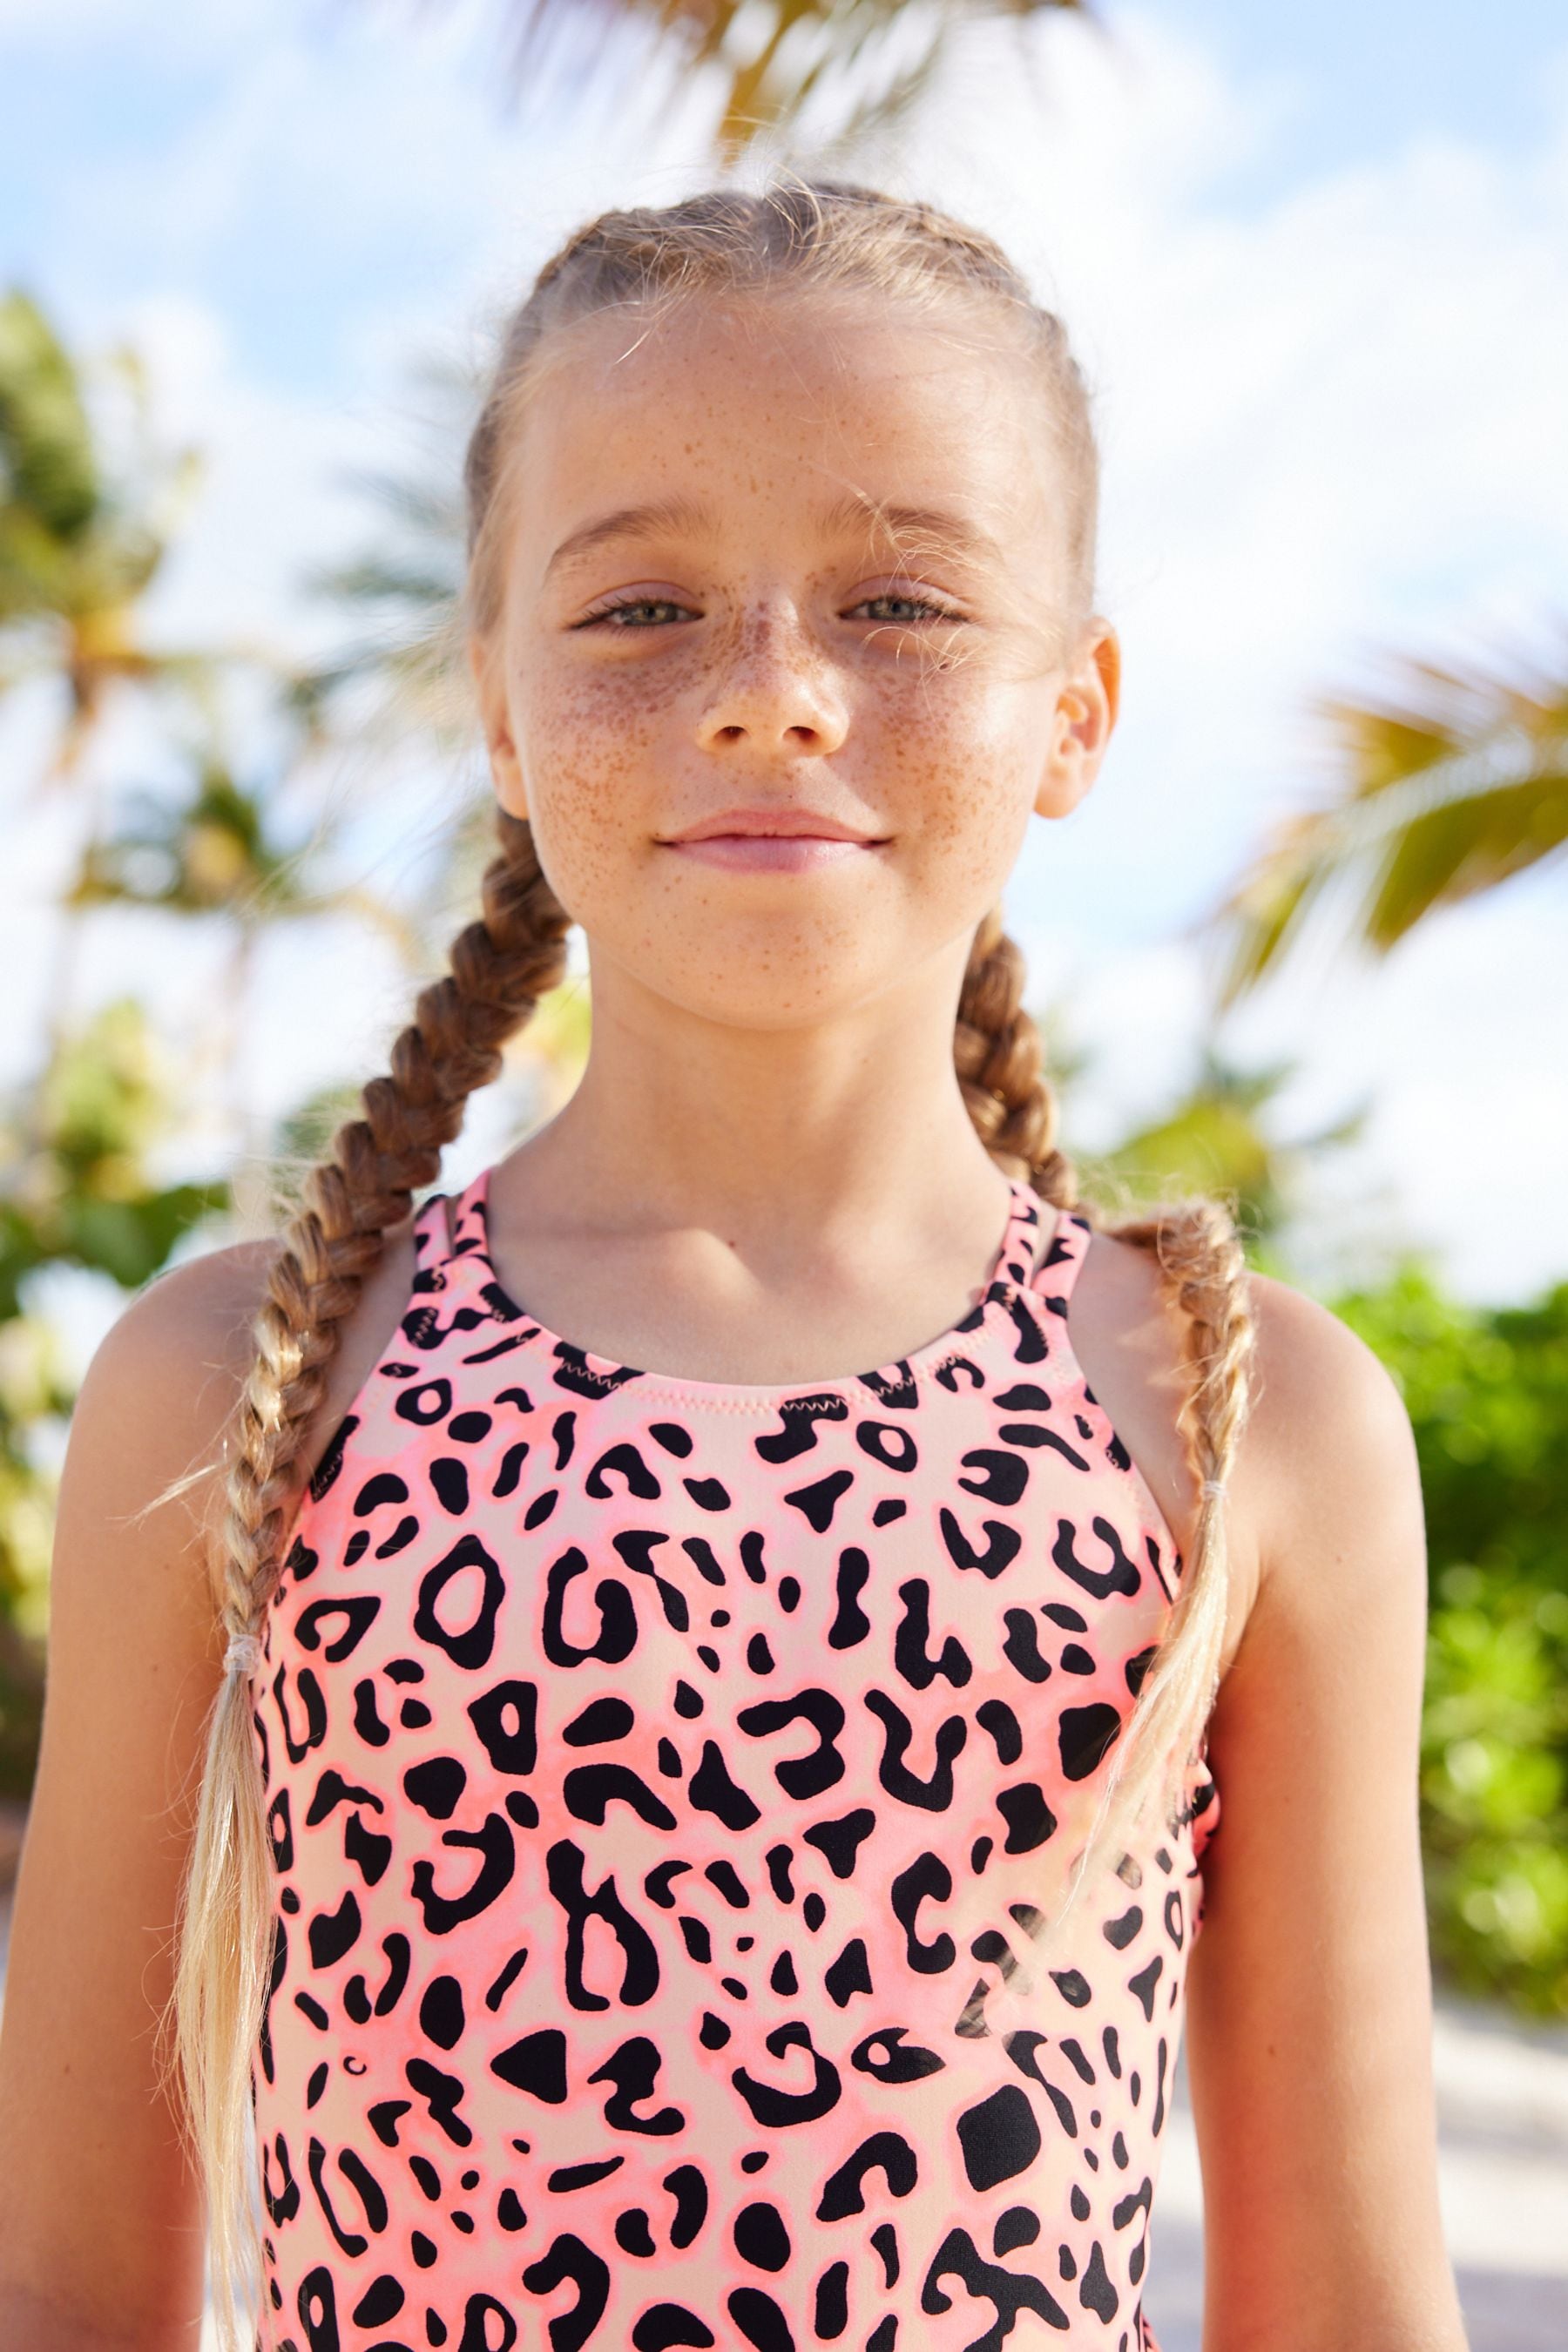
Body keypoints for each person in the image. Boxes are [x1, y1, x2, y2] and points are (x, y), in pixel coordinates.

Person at [0, 175, 1468, 2352]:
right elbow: (61, 2288)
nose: (774, 693)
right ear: (499, 711)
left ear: (1078, 711)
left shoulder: (1249, 1413)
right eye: (636, 612)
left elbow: (1347, 2309)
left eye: (899, 603)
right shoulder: (234, 1385)